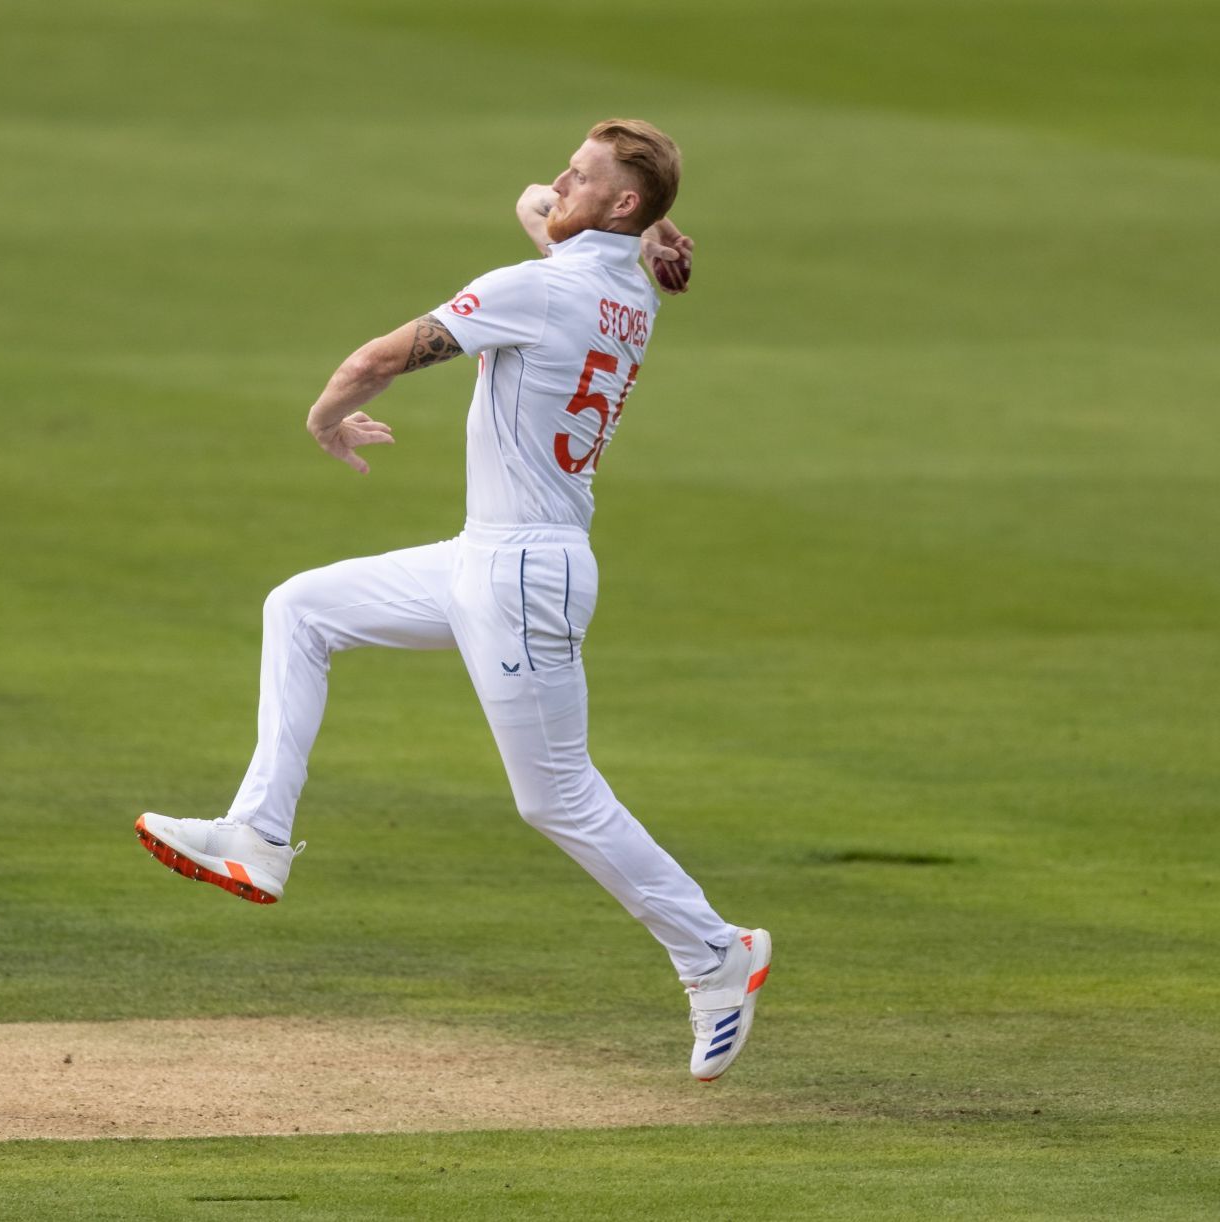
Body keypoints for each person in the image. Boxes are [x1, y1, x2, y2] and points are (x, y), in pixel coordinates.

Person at [136, 119, 771, 1081]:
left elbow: (379, 357)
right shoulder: (620, 287)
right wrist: (640, 234)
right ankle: (258, 837)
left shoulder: (544, 285)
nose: (558, 180)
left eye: (582, 174)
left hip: (523, 573)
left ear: (623, 203)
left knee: (557, 799)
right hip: (494, 556)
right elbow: (539, 207)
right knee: (300, 608)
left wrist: (325, 416)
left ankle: (716, 951)